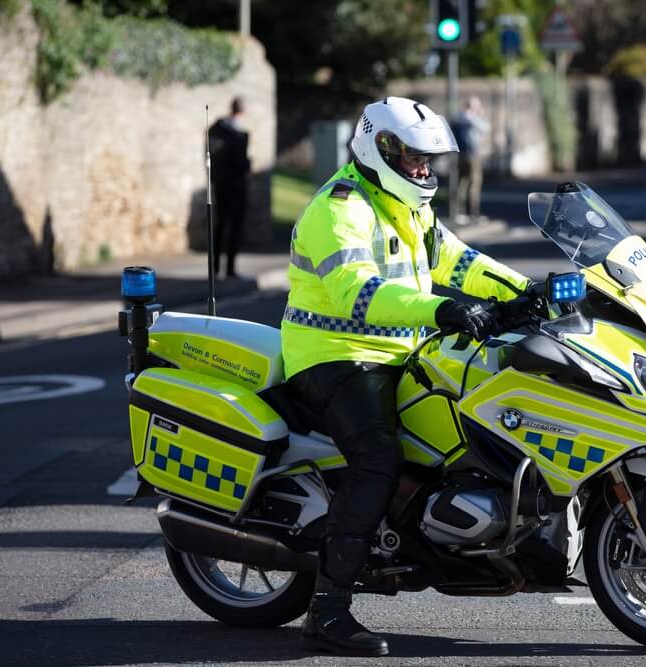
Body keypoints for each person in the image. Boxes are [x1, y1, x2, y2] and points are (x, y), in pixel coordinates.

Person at [282, 96, 529, 656]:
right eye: (414, 158)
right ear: (380, 149)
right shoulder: (339, 209)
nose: (424, 170)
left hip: (401, 351)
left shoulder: (408, 206)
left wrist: (527, 292)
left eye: (427, 160)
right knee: (377, 457)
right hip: (334, 353)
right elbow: (359, 292)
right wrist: (441, 310)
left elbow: (460, 263)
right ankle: (327, 609)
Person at [208, 97, 251, 278]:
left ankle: (215, 268)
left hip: (219, 182)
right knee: (235, 226)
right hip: (235, 184)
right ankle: (230, 270)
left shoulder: (215, 129)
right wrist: (248, 164)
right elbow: (241, 162)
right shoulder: (238, 134)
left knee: (219, 224)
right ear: (242, 111)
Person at [451, 96, 490, 224]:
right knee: (474, 184)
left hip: (461, 154)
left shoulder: (458, 118)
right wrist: (478, 115)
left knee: (461, 183)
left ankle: (459, 212)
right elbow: (485, 128)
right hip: (473, 155)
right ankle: (473, 213)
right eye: (477, 106)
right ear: (473, 107)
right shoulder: (471, 118)